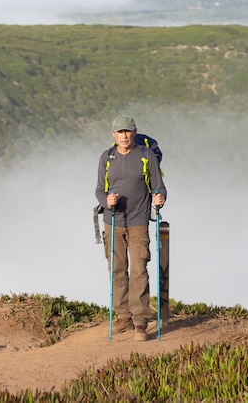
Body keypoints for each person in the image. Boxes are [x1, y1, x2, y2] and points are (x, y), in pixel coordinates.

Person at [95, 114, 167, 341]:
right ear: (113, 134)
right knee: (116, 270)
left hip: (138, 221)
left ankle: (139, 322)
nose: (124, 136)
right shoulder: (107, 157)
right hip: (113, 221)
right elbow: (99, 189)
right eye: (120, 132)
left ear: (135, 132)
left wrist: (159, 198)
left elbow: (159, 187)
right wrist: (106, 200)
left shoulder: (146, 156)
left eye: (128, 131)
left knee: (138, 271)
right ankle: (123, 316)